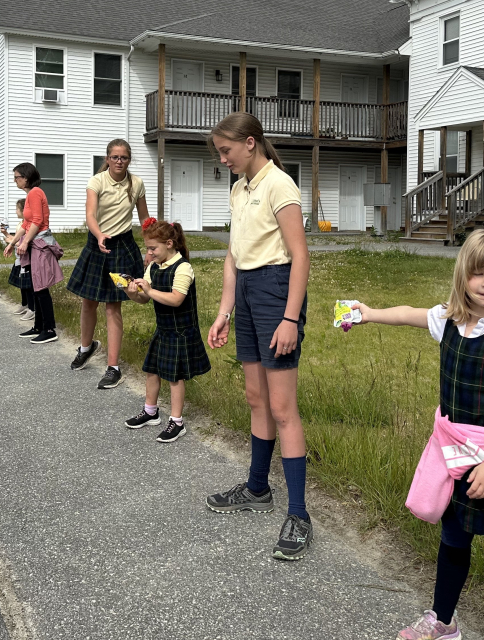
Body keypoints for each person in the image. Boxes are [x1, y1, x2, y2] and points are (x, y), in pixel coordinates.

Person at [349, 230, 484, 640]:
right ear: (463, 277)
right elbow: (408, 313)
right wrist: (369, 312)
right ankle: (443, 622)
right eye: (478, 273)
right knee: (453, 541)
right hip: (451, 457)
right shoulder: (450, 322)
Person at [203, 112, 313, 562]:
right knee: (255, 397)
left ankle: (300, 514)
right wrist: (224, 310)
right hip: (247, 292)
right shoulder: (238, 189)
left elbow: (301, 256)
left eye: (226, 151)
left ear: (250, 143)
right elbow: (233, 256)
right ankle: (256, 488)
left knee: (283, 406)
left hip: (275, 292)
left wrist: (290, 319)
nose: (223, 159)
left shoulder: (278, 184)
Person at [66, 139, 150, 390]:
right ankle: (86, 347)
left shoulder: (136, 184)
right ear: (107, 158)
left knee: (113, 307)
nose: (119, 161)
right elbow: (90, 213)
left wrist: (150, 247)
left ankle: (113, 367)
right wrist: (99, 234)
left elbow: (144, 217)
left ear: (129, 160)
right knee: (89, 301)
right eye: (114, 157)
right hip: (97, 245)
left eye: (123, 157)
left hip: (121, 249)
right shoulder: (97, 181)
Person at [122, 219, 210, 443]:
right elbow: (144, 299)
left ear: (169, 243)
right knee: (152, 370)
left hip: (181, 331)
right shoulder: (154, 267)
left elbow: (176, 299)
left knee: (175, 376)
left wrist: (149, 291)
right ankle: (150, 411)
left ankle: (177, 422)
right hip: (164, 329)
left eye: (153, 248)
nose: (149, 253)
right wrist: (132, 292)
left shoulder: (183, 268)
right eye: (148, 249)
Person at [13, 162, 63, 344]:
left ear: (25, 177)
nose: (15, 181)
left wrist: (25, 242)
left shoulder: (35, 192)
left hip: (40, 244)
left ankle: (49, 329)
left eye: (16, 177)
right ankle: (38, 326)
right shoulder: (29, 195)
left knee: (41, 287)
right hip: (34, 243)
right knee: (36, 286)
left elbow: (37, 220)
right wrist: (12, 242)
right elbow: (26, 224)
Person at [4, 199, 34, 321]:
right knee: (22, 284)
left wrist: (12, 243)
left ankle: (32, 308)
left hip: (25, 258)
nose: (15, 211)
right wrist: (6, 234)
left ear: (24, 211)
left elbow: (24, 243)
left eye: (17, 209)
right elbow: (16, 239)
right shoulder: (20, 224)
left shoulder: (29, 225)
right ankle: (24, 304)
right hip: (19, 258)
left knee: (28, 285)